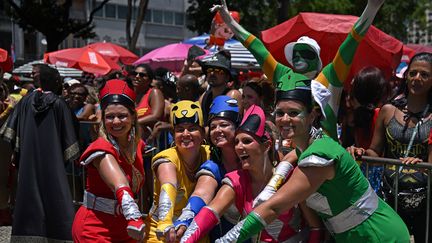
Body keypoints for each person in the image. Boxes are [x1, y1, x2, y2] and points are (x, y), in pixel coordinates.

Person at [217, 75, 410, 243]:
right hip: (352, 234)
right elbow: (294, 155)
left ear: (312, 115)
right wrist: (277, 177)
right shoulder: (306, 146)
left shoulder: (319, 155)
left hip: (377, 234)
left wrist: (226, 240)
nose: (284, 119)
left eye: (294, 113)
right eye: (280, 113)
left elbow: (274, 207)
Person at [213, 0, 385, 140]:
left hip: (325, 161)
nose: (299, 57)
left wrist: (372, 7)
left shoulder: (329, 77)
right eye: (295, 54)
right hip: (287, 157)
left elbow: (351, 43)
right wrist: (230, 22)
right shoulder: (283, 75)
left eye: (305, 53)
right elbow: (257, 48)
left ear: (316, 60)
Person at [181, 105, 310, 243]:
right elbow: (211, 212)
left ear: (266, 145)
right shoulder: (237, 180)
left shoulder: (291, 176)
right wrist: (186, 240)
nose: (239, 147)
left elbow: (315, 227)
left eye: (247, 141)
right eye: (236, 142)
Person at [348, 52, 432, 242]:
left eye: (425, 75)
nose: (417, 78)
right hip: (390, 195)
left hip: (425, 201)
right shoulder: (388, 111)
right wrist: (360, 151)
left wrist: (422, 164)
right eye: (413, 73)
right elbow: (375, 151)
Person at [0, 64, 80, 242]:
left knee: (29, 195)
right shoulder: (59, 104)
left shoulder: (26, 101)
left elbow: (10, 132)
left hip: (28, 161)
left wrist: (17, 152)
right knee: (56, 195)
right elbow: (71, 138)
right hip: (54, 162)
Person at [72, 79, 146, 242]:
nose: (116, 122)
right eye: (110, 116)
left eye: (122, 116)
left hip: (126, 228)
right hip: (95, 227)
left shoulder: (137, 145)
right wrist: (134, 216)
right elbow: (120, 184)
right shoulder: (100, 148)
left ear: (133, 117)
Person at [144, 100, 210, 243]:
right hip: (161, 233)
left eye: (192, 128)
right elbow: (169, 185)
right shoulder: (167, 159)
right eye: (180, 129)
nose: (186, 134)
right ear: (173, 135)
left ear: (203, 133)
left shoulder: (210, 154)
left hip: (196, 231)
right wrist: (166, 221)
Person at [343, 67, 389, 192]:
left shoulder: (350, 116)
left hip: (359, 172)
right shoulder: (382, 114)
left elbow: (345, 143)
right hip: (380, 175)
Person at [200, 50, 242, 123]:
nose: (212, 73)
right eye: (209, 70)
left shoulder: (232, 95)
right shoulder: (204, 97)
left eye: (218, 70)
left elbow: (230, 124)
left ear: (227, 77)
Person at [132, 64, 164, 139]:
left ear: (149, 80)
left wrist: (132, 122)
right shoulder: (131, 95)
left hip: (152, 143)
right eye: (134, 74)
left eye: (142, 75)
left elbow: (156, 116)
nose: (137, 76)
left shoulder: (154, 93)